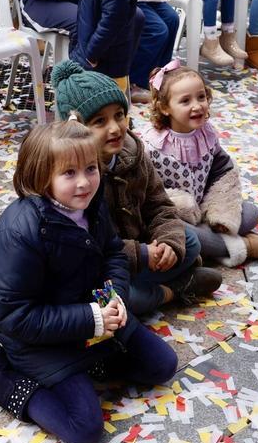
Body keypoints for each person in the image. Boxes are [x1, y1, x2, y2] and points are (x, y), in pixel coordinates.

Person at [0, 121, 177, 443]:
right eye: (69, 173)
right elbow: (14, 316)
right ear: (41, 176)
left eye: (90, 168)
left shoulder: (92, 203)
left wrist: (114, 296)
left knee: (162, 365)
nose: (84, 182)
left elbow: (113, 252)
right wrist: (92, 318)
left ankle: (95, 362)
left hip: (92, 319)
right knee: (83, 430)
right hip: (38, 340)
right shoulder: (19, 232)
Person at [51, 61, 223, 313]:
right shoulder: (73, 179)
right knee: (119, 299)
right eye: (99, 121)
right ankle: (172, 290)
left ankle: (169, 274)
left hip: (143, 250)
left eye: (119, 115)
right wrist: (140, 254)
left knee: (189, 241)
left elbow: (159, 204)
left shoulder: (133, 151)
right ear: (76, 130)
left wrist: (168, 243)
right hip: (102, 267)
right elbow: (87, 245)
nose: (114, 128)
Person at [140, 63, 258, 267]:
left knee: (250, 213)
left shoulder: (206, 134)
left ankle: (210, 244)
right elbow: (148, 190)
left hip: (203, 208)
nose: (197, 106)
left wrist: (221, 210)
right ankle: (245, 246)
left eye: (201, 97)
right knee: (184, 233)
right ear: (165, 108)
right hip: (173, 214)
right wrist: (180, 205)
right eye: (185, 101)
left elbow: (222, 172)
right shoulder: (153, 144)